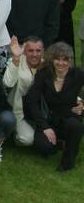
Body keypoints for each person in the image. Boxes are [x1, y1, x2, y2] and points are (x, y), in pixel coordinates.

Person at [22, 42, 84, 171]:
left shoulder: (77, 74)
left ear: (70, 60)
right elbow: (31, 101)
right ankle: (59, 142)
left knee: (75, 126)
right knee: (45, 147)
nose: (61, 63)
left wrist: (83, 103)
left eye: (65, 59)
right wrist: (45, 127)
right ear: (52, 59)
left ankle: (67, 163)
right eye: (57, 59)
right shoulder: (44, 74)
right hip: (49, 118)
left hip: (69, 117)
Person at [3, 35, 45, 147]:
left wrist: (78, 100)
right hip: (20, 110)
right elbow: (8, 83)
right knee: (27, 140)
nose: (35, 54)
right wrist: (16, 58)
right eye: (30, 50)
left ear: (43, 51)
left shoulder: (47, 65)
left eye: (38, 51)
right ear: (24, 51)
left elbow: (61, 84)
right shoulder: (17, 60)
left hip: (42, 110)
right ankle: (13, 133)